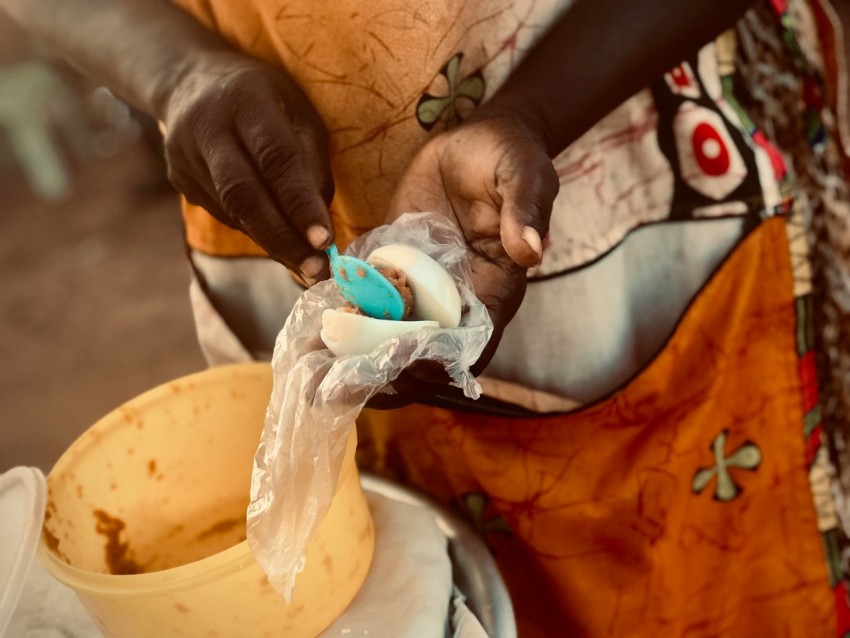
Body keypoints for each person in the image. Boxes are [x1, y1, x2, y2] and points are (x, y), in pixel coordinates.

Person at [4, 0, 850, 634]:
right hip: (256, 196)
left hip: (614, 175)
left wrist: (532, 112)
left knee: (679, 574)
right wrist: (178, 72)